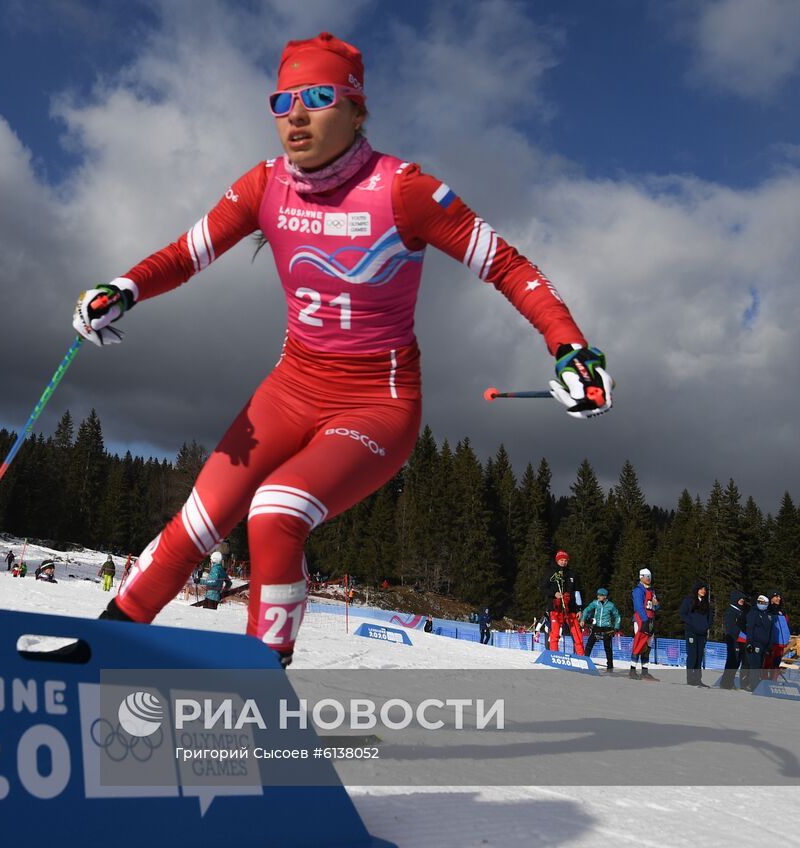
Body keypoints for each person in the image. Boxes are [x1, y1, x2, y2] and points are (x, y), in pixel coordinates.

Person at [70, 32, 612, 666]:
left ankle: (262, 681)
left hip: (375, 405)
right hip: (289, 389)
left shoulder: (405, 189)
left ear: (357, 111)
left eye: (319, 97)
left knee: (275, 510)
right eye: (283, 100)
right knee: (199, 519)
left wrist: (570, 348)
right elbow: (187, 254)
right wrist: (124, 287)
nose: (296, 114)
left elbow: (508, 266)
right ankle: (103, 647)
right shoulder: (264, 185)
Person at [542, 550, 585, 655]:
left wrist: (579, 608)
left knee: (577, 633)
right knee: (555, 632)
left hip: (571, 608)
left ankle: (581, 655)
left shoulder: (572, 574)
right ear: (557, 560)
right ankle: (554, 653)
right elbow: (543, 588)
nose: (563, 562)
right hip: (555, 607)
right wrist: (554, 593)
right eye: (561, 560)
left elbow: (577, 592)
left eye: (565, 560)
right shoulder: (551, 572)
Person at [677, 582, 712, 687]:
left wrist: (707, 626)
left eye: (705, 590)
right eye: (701, 589)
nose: (703, 591)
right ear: (696, 589)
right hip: (691, 632)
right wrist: (691, 622)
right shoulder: (689, 600)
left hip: (702, 633)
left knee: (699, 656)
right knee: (692, 655)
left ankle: (698, 679)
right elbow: (682, 613)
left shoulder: (706, 603)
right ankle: (690, 679)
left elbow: (710, 617)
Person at [739, 593, 775, 692]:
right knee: (754, 665)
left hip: (765, 644)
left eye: (764, 603)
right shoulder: (753, 613)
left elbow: (771, 631)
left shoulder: (769, 615)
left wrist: (770, 646)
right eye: (760, 602)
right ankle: (753, 686)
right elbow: (750, 628)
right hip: (755, 643)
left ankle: (754, 684)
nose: (762, 604)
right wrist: (749, 643)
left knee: (759, 665)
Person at [629, 569, 660, 681]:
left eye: (649, 576)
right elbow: (638, 606)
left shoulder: (652, 590)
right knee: (639, 643)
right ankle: (632, 670)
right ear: (641, 577)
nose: (648, 578)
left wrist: (656, 604)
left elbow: (654, 606)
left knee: (648, 645)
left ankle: (644, 672)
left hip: (650, 619)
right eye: (646, 576)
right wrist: (645, 620)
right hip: (641, 619)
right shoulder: (638, 590)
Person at [581, 588, 621, 673]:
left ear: (605, 596)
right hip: (597, 628)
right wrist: (583, 619)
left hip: (607, 629)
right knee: (589, 644)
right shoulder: (595, 603)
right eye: (597, 594)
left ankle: (610, 667)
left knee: (608, 648)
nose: (598, 596)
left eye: (600, 595)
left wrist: (616, 627)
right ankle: (584, 662)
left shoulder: (611, 605)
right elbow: (586, 610)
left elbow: (617, 616)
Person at [719, 591, 751, 690]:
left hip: (741, 640)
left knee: (736, 662)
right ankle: (725, 683)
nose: (742, 601)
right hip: (733, 640)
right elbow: (731, 627)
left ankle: (729, 682)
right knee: (732, 662)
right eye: (740, 599)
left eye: (743, 599)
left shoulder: (741, 611)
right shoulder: (731, 611)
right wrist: (741, 633)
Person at [763, 592, 790, 678]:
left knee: (776, 663)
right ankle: (764, 681)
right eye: (776, 596)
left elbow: (786, 625)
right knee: (767, 663)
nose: (779, 598)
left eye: (779, 596)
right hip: (771, 642)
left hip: (781, 643)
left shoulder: (782, 611)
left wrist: (786, 638)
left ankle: (773, 681)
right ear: (771, 598)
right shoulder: (767, 610)